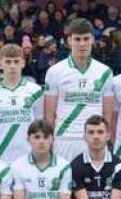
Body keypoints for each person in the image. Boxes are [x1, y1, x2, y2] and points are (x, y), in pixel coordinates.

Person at [44, 19, 113, 162]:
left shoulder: (105, 72)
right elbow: (49, 115)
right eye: (77, 39)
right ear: (69, 41)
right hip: (64, 138)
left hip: (94, 139)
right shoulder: (55, 71)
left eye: (86, 39)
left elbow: (107, 113)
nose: (82, 44)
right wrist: (49, 141)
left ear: (93, 40)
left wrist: (104, 137)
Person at [0, 44, 44, 164]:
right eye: (8, 62)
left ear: (23, 63)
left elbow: (39, 126)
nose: (12, 66)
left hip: (29, 157)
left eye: (16, 61)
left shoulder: (35, 91)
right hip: (0, 156)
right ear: (0, 63)